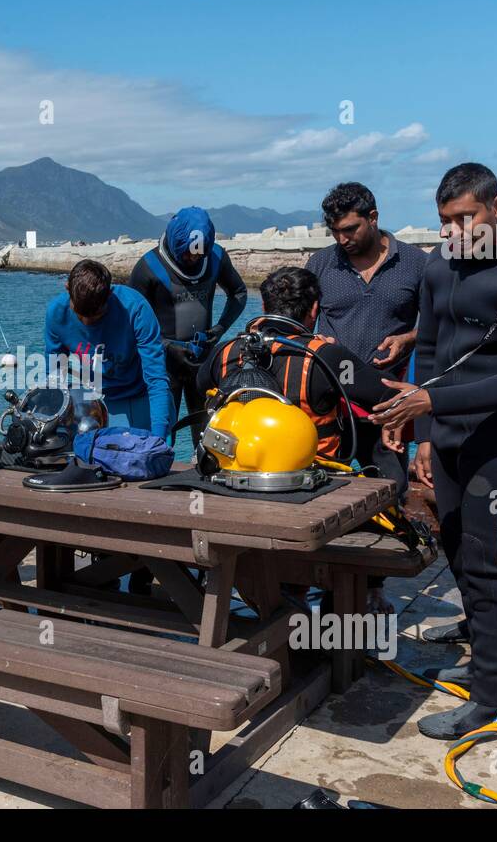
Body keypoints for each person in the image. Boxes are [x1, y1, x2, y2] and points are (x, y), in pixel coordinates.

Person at [370, 163, 497, 739]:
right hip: (444, 433)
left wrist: (430, 406)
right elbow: (429, 347)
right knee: (455, 544)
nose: (454, 232)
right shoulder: (439, 263)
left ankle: (490, 699)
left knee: (489, 561)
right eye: (444, 221)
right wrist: (425, 434)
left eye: (465, 218)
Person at [198, 265, 399, 613]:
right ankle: (342, 619)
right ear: (315, 310)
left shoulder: (228, 352)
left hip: (235, 487)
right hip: (308, 491)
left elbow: (203, 385)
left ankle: (281, 602)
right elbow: (385, 395)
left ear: (263, 306)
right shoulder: (324, 356)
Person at [305, 183, 429, 496]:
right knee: (322, 494)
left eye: (350, 229)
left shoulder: (417, 264)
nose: (342, 239)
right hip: (330, 404)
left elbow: (435, 327)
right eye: (335, 231)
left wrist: (408, 338)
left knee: (391, 490)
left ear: (372, 217)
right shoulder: (319, 265)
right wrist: (312, 338)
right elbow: (302, 324)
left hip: (388, 404)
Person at [130, 207, 247, 446]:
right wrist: (165, 346)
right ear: (175, 242)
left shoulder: (215, 258)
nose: (193, 259)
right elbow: (131, 320)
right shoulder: (149, 266)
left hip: (202, 360)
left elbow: (238, 292)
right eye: (188, 255)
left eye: (198, 255)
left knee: (207, 434)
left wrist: (221, 328)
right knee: (160, 435)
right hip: (163, 366)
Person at [44, 259, 171, 439]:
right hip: (94, 401)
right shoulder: (56, 313)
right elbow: (55, 377)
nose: (88, 323)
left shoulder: (136, 308)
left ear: (110, 294)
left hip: (140, 396)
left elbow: (156, 379)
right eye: (80, 315)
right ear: (67, 289)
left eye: (96, 315)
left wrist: (159, 437)